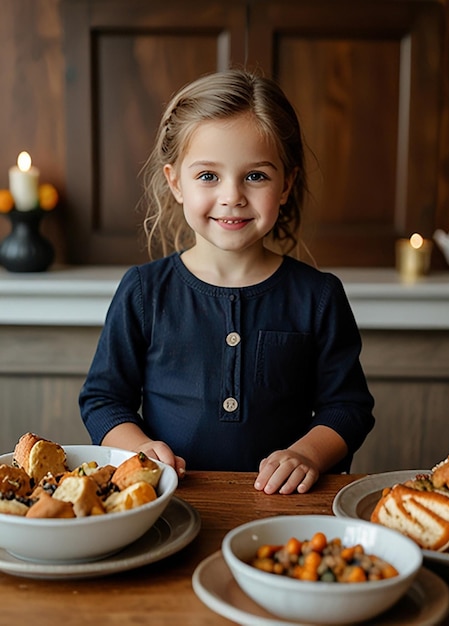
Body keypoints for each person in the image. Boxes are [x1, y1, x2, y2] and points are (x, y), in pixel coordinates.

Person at [79, 69, 375, 495]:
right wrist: (140, 449)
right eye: (208, 176)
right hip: (170, 501)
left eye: (256, 175)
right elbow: (103, 400)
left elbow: (348, 407)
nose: (232, 195)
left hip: (283, 509)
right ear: (175, 182)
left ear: (286, 183)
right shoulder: (144, 290)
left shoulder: (319, 296)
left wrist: (308, 453)